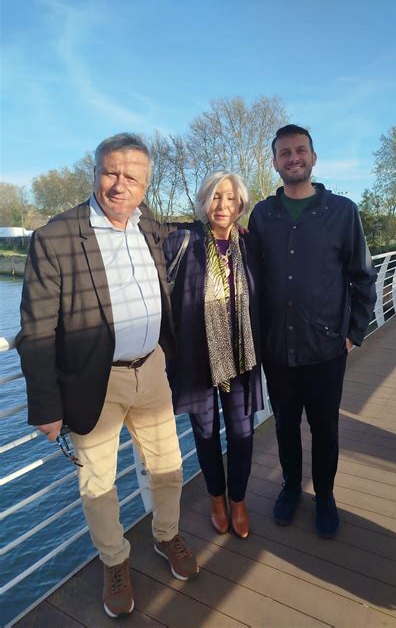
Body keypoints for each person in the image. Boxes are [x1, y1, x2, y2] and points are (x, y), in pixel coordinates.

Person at [17, 133, 198, 619]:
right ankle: (115, 561)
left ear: (145, 183)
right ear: (95, 172)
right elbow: (35, 330)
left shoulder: (151, 228)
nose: (120, 185)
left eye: (132, 177)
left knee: (169, 466)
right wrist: (46, 407)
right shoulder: (56, 236)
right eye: (111, 173)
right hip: (94, 379)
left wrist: (230, 226)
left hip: (153, 369)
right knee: (98, 483)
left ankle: (166, 535)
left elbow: (187, 235)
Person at [248, 124, 377, 537]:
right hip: (278, 349)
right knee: (285, 427)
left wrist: (353, 333)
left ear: (314, 157)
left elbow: (362, 277)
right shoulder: (263, 215)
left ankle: (324, 496)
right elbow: (248, 278)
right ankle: (290, 487)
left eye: (300, 150)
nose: (293, 158)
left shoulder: (342, 211)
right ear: (274, 163)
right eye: (284, 153)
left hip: (325, 349)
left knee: (325, 430)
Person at [164, 171, 263, 539]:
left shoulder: (249, 246)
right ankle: (216, 500)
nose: (223, 205)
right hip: (196, 361)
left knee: (242, 433)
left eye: (231, 198)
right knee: (205, 435)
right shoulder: (183, 242)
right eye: (216, 197)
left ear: (241, 204)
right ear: (205, 201)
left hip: (241, 359)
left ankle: (238, 500)